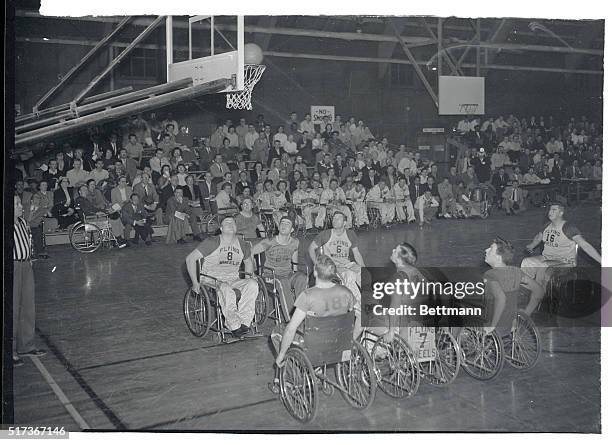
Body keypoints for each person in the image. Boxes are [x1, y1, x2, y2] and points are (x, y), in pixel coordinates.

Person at [270, 255, 355, 389]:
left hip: (315, 345)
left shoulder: (308, 295)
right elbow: (350, 316)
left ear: (315, 272)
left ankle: (293, 379)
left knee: (278, 332)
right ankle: (316, 369)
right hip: (340, 342)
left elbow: (291, 329)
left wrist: (280, 355)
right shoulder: (346, 292)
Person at [185, 216, 259, 337]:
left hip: (232, 279)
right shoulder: (212, 242)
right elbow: (190, 259)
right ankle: (233, 325)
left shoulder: (242, 244)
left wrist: (249, 277)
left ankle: (245, 322)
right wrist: (195, 283)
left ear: (236, 228)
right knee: (226, 289)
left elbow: (248, 262)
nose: (230, 224)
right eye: (227, 223)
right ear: (221, 228)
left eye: (232, 223)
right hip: (210, 279)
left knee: (252, 284)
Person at [308, 212, 365, 337]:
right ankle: (358, 305)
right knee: (349, 275)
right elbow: (311, 248)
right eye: (333, 218)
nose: (334, 220)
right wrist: (317, 263)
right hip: (332, 267)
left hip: (346, 264)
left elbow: (357, 254)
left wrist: (365, 270)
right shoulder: (326, 234)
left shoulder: (350, 234)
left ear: (345, 222)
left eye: (338, 218)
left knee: (361, 273)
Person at [522, 202, 601, 285]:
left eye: (554, 210)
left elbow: (585, 245)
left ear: (561, 213)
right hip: (547, 258)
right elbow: (538, 237)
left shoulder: (568, 227)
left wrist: (601, 261)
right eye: (550, 209)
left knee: (542, 267)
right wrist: (531, 246)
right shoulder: (547, 225)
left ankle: (540, 293)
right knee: (526, 262)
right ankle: (526, 288)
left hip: (565, 261)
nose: (550, 212)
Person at [482, 238, 545, 335]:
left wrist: (492, 326)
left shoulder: (490, 275)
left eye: (490, 249)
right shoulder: (517, 272)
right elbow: (539, 291)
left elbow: (501, 299)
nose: (486, 250)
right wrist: (525, 315)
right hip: (510, 326)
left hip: (495, 327)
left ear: (498, 257)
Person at [252, 216, 308, 321]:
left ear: (292, 230)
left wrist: (296, 274)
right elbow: (250, 252)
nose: (283, 225)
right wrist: (252, 272)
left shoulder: (295, 242)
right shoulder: (269, 242)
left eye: (287, 224)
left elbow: (294, 263)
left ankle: (302, 314)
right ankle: (291, 320)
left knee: (302, 278)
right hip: (270, 275)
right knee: (283, 282)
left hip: (287, 273)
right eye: (282, 223)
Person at [13, 195, 47, 367]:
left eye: (20, 203)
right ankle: (10, 351)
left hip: (26, 266)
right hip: (13, 267)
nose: (21, 207)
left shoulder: (23, 223)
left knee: (28, 305)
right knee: (12, 307)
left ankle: (26, 345)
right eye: (17, 204)